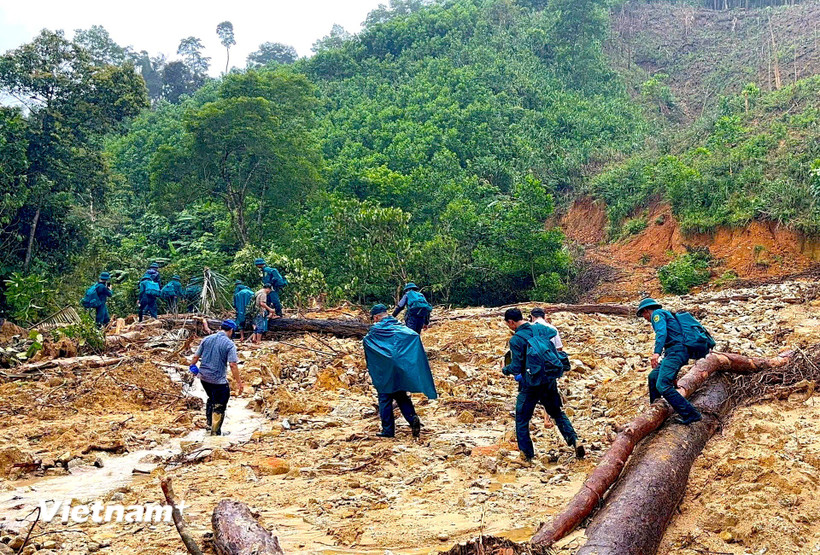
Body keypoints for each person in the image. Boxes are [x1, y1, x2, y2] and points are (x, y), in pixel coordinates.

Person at [502, 308, 584, 461]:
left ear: (511, 322)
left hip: (530, 384)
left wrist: (505, 370)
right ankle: (574, 441)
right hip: (549, 379)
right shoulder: (542, 329)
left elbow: (516, 367)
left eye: (508, 324)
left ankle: (527, 455)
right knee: (557, 413)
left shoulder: (516, 340)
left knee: (522, 418)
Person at [363, 304, 437, 439]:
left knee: (384, 397)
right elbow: (413, 335)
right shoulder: (399, 325)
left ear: (376, 317)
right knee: (401, 395)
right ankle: (412, 418)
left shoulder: (376, 330)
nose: (374, 321)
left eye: (374, 319)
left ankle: (388, 431)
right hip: (400, 367)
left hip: (385, 369)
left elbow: (367, 342)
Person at [636, 298, 703, 425]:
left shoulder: (657, 314)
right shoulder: (666, 313)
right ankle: (656, 411)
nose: (645, 318)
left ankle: (691, 414)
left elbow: (662, 333)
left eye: (643, 315)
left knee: (662, 385)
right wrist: (672, 377)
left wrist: (656, 353)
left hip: (676, 352)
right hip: (674, 353)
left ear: (646, 311)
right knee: (653, 377)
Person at [189, 320, 244, 436]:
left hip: (204, 378)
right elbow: (233, 365)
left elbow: (195, 356)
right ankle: (215, 433)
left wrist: (192, 366)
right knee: (220, 403)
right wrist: (239, 383)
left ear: (221, 327)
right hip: (218, 380)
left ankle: (209, 425)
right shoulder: (229, 344)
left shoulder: (207, 339)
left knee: (211, 398)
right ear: (232, 331)